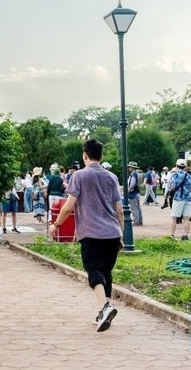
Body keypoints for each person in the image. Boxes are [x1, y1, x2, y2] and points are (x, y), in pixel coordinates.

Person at [50, 139, 122, 333]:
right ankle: (103, 312)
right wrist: (121, 234)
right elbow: (119, 210)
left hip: (91, 233)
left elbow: (68, 206)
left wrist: (55, 225)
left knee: (94, 272)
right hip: (113, 233)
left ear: (85, 155)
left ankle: (105, 308)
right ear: (101, 155)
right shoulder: (112, 177)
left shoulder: (79, 176)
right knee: (106, 273)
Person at [169, 158, 191, 240]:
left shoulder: (175, 175)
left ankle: (172, 235)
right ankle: (186, 235)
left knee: (174, 217)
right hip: (187, 198)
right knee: (186, 218)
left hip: (178, 198)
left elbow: (171, 186)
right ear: (185, 166)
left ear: (176, 166)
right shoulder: (188, 176)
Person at [126, 161, 143, 226]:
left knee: (134, 208)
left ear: (132, 168)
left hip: (133, 193)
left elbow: (132, 184)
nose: (129, 168)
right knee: (138, 208)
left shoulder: (133, 174)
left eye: (130, 167)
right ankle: (140, 221)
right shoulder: (136, 174)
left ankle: (136, 221)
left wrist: (128, 190)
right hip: (137, 193)